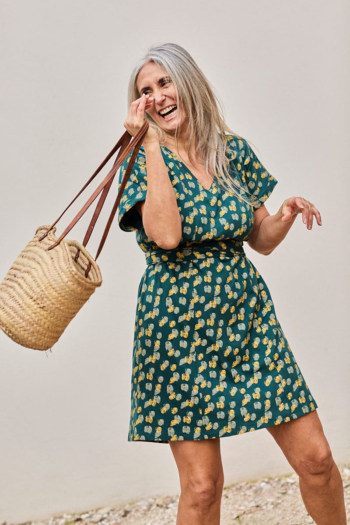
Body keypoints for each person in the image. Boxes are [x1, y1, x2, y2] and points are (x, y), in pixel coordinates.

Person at [117, 42, 346, 525]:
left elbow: (259, 240)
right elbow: (166, 234)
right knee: (203, 489)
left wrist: (283, 216)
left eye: (165, 82)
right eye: (146, 90)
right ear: (139, 105)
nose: (158, 96)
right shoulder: (138, 160)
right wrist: (152, 144)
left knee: (319, 463)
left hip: (248, 320)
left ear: (187, 83)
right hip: (176, 330)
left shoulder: (232, 151)